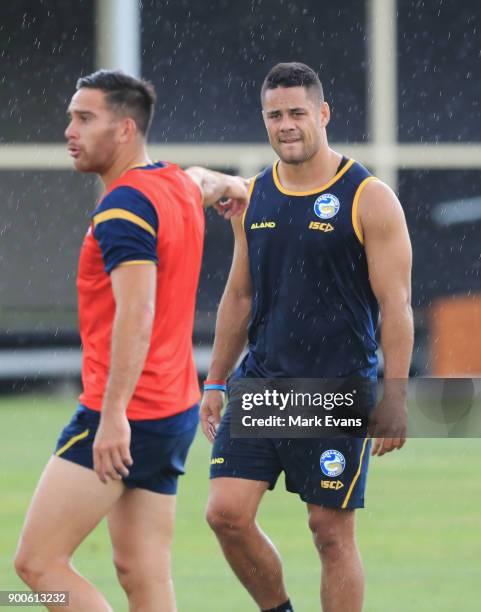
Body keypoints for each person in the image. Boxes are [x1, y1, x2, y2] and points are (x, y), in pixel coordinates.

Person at [14, 69, 248, 612]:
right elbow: (205, 181)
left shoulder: (122, 210)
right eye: (71, 116)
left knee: (36, 565)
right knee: (143, 576)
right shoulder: (173, 185)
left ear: (123, 130)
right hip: (172, 413)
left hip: (124, 415)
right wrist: (235, 186)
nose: (69, 130)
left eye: (84, 118)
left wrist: (113, 414)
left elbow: (136, 312)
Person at [201, 62, 414, 612]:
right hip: (264, 382)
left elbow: (397, 306)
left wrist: (394, 395)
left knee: (329, 532)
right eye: (275, 115)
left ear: (322, 114)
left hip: (336, 389)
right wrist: (216, 379)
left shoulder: (369, 197)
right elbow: (240, 296)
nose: (286, 124)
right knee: (225, 515)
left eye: (297, 112)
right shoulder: (252, 198)